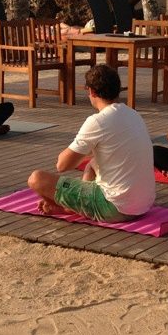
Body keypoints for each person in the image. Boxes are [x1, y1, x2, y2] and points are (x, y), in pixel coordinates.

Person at [27, 65, 154, 222]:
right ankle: (76, 206)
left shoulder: (98, 121)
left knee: (36, 178)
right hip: (143, 205)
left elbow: (62, 165)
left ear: (91, 92)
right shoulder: (133, 114)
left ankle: (68, 208)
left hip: (116, 207)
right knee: (92, 164)